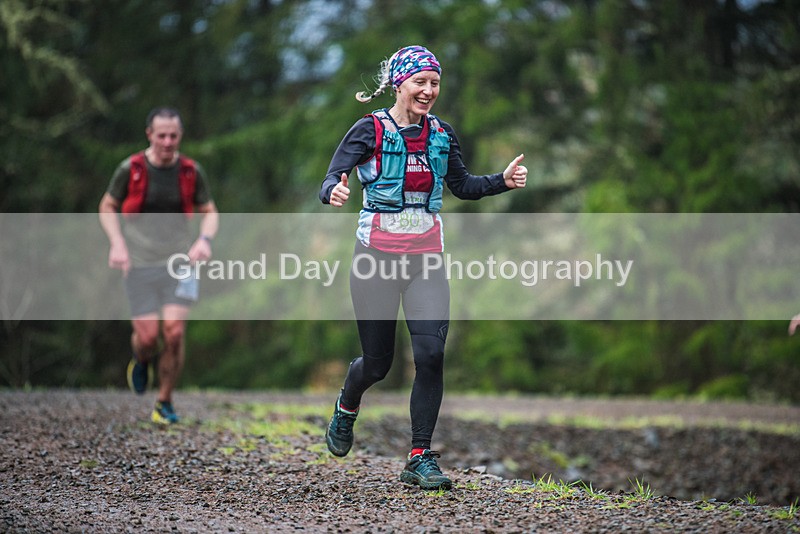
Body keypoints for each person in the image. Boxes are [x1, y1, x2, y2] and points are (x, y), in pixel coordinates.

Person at [319, 45, 527, 490]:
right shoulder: (368, 130)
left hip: (426, 261)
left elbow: (463, 185)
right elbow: (333, 175)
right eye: (420, 82)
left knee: (430, 356)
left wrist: (501, 182)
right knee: (377, 364)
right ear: (400, 84)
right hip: (374, 260)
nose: (429, 90)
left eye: (434, 82)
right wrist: (332, 190)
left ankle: (419, 456)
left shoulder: (442, 134)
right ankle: (348, 403)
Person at [99, 107, 218, 424]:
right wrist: (117, 244)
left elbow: (210, 211)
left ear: (180, 136)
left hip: (181, 263)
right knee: (149, 337)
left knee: (175, 333)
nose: (168, 141)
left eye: (173, 136)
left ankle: (164, 401)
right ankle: (141, 359)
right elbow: (107, 206)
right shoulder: (132, 169)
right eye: (161, 135)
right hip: (139, 263)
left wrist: (204, 240)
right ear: (149, 134)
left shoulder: (191, 172)